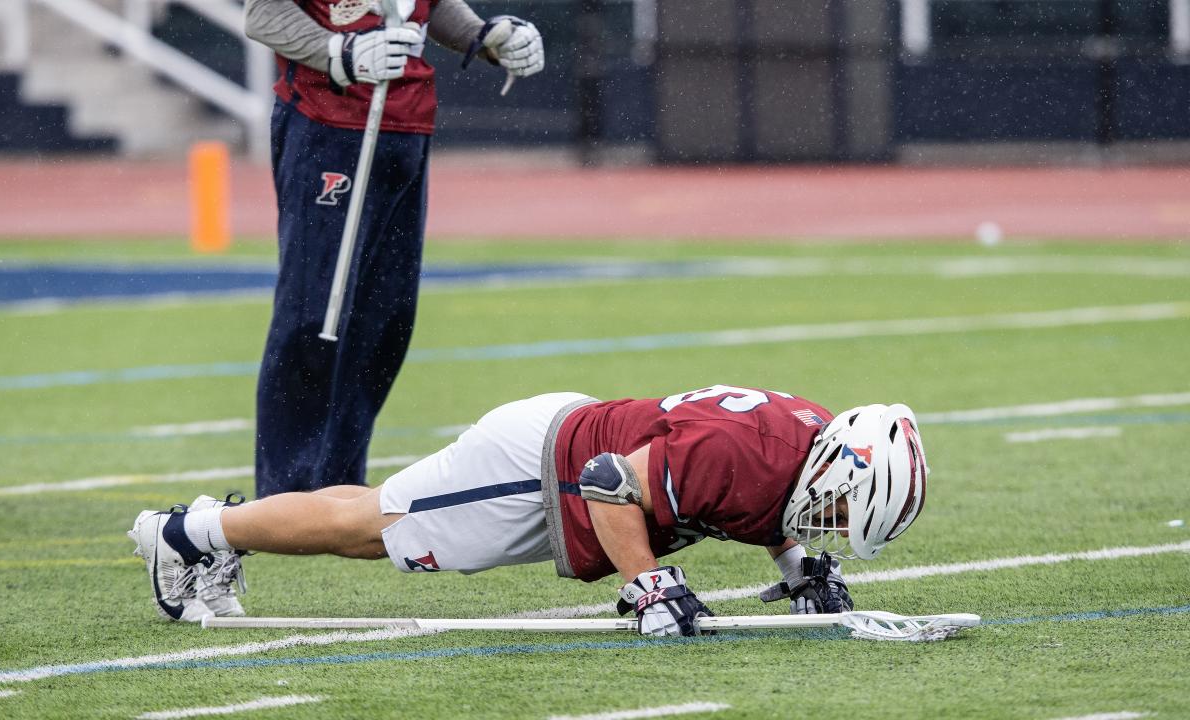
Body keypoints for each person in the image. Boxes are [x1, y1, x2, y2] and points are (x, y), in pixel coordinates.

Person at [129, 385, 930, 634]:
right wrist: (649, 586)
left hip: (564, 447)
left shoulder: (801, 441)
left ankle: (207, 529)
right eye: (845, 506)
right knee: (373, 532)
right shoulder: (749, 453)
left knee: (378, 518)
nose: (833, 518)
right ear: (842, 464)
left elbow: (766, 507)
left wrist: (798, 569)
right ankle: (187, 533)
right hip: (541, 465)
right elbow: (611, 481)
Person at [244, 0, 545, 497]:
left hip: (407, 124)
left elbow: (429, 8)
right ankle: (286, 493)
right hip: (331, 123)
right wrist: (340, 52)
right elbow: (263, 15)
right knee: (316, 310)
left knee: (383, 319)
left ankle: (338, 482)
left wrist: (482, 35)